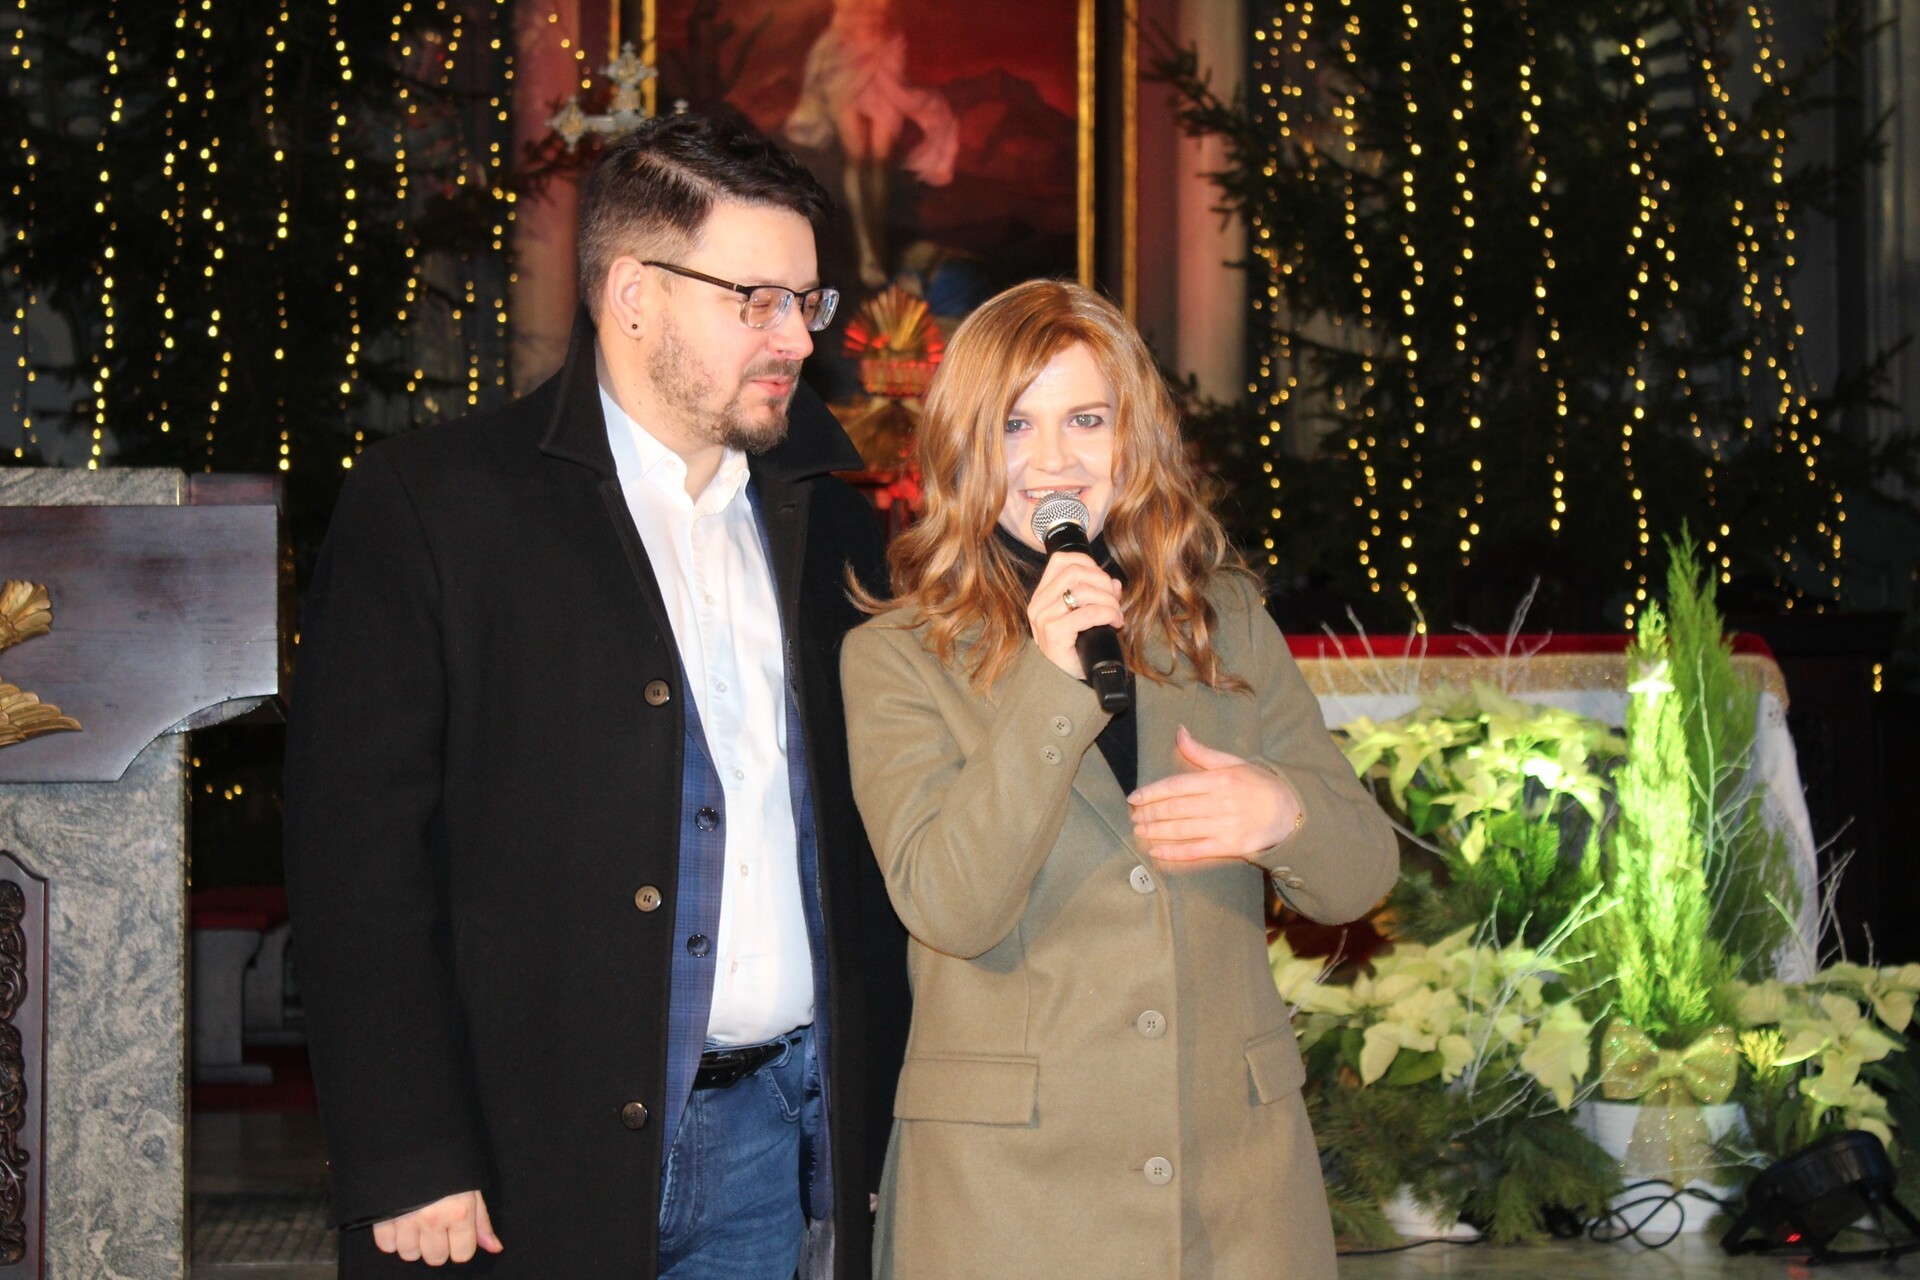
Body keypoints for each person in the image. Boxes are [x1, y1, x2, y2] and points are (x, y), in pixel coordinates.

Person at [284, 113, 910, 1279]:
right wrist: (407, 1147)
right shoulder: (439, 503)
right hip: (525, 1162)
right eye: (758, 299)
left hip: (777, 1144)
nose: (796, 337)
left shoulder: (830, 512)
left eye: (807, 302)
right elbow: (357, 861)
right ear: (633, 293)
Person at [840, 280, 1399, 1277]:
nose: (1055, 460)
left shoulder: (1221, 620)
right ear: (964, 444)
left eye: (1087, 420)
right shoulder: (897, 656)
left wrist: (1283, 812)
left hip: (1233, 1187)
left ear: (1133, 437)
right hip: (1008, 1197)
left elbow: (1361, 873)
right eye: (1016, 424)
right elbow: (949, 906)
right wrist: (1052, 687)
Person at [783, 0, 957, 289]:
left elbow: (891, 21)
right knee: (859, 159)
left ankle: (876, 243)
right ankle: (867, 250)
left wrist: (881, 39)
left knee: (878, 162)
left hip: (882, 67)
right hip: (847, 68)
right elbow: (841, 19)